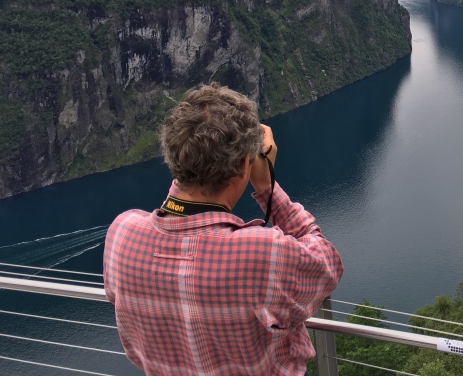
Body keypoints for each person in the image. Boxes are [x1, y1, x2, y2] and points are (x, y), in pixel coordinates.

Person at [103, 83, 343, 375]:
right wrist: (267, 187)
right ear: (245, 166)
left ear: (173, 157)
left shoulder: (122, 234)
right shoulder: (260, 253)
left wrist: (188, 166)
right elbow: (327, 264)